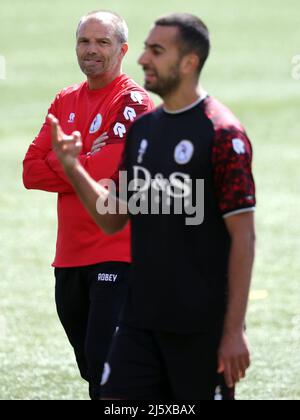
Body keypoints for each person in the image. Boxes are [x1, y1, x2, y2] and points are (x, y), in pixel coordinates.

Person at [49, 13, 256, 400]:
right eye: (145, 48)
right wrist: (74, 168)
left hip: (199, 321)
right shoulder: (144, 131)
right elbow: (113, 218)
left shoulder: (223, 135)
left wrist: (232, 329)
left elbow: (243, 238)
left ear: (189, 62)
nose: (143, 59)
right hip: (140, 315)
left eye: (156, 51)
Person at [22, 10, 154, 400]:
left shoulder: (132, 100)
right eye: (84, 41)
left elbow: (109, 165)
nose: (91, 50)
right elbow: (30, 172)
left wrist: (65, 162)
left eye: (102, 42)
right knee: (92, 369)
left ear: (123, 49)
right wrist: (77, 162)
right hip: (69, 258)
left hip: (118, 254)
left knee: (107, 366)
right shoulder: (64, 100)